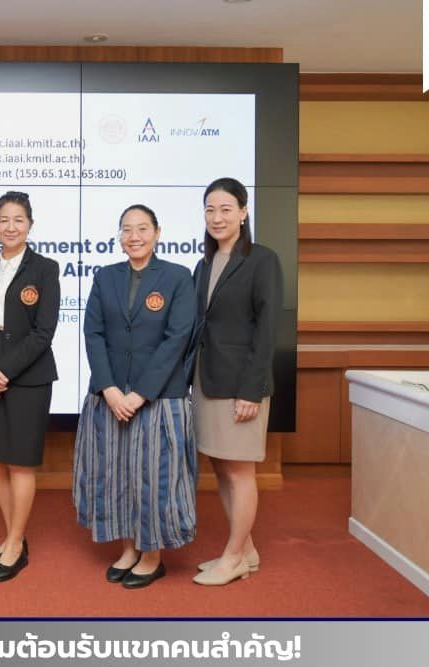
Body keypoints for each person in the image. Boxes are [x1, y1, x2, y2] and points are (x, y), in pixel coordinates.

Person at [73, 204, 197, 589]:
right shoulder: (105, 277)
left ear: (157, 233)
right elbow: (93, 333)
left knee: (154, 478)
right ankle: (128, 549)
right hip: (109, 397)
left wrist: (141, 393)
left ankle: (152, 556)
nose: (134, 236)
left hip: (159, 399)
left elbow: (177, 339)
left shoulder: (177, 277)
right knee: (115, 475)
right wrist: (109, 389)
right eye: (126, 229)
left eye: (142, 228)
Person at [0, 191, 60, 583]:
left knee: (19, 462)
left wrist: (2, 370)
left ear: (30, 225)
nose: (11, 226)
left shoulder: (46, 268)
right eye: (4, 219)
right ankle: (10, 536)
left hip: (28, 378)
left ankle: (16, 544)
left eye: (18, 220)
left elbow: (44, 332)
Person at [191, 177, 282, 587]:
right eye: (210, 209)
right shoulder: (204, 264)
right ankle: (246, 551)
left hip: (241, 386)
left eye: (226, 209)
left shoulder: (262, 260)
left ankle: (233, 558)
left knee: (241, 471)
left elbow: (267, 331)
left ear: (243, 213)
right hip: (207, 381)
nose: (217, 217)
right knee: (221, 467)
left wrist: (251, 390)